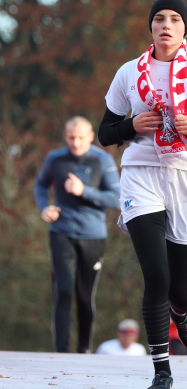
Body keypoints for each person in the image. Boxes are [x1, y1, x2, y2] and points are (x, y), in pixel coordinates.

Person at [98, 0, 187, 389]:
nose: (166, 25)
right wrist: (131, 126)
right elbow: (105, 133)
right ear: (151, 27)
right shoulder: (130, 72)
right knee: (157, 277)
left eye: (175, 19)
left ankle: (181, 312)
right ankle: (162, 370)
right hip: (141, 174)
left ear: (184, 29)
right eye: (159, 18)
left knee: (181, 291)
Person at [35, 116, 120, 354]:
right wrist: (44, 207)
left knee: (84, 295)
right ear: (65, 136)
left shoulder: (102, 160)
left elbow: (117, 199)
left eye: (80, 137)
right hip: (61, 232)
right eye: (71, 137)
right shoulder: (55, 158)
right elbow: (40, 185)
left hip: (93, 235)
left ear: (90, 137)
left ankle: (84, 349)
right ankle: (61, 351)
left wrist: (84, 191)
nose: (75, 142)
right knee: (63, 291)